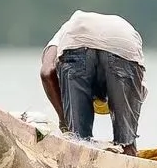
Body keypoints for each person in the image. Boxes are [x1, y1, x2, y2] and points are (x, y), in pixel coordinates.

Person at [40, 11, 147, 153]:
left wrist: (64, 122)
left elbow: (46, 72)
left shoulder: (65, 32)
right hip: (123, 43)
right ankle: (128, 152)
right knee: (127, 143)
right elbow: (137, 95)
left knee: (77, 142)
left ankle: (77, 148)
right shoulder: (66, 31)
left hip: (78, 41)